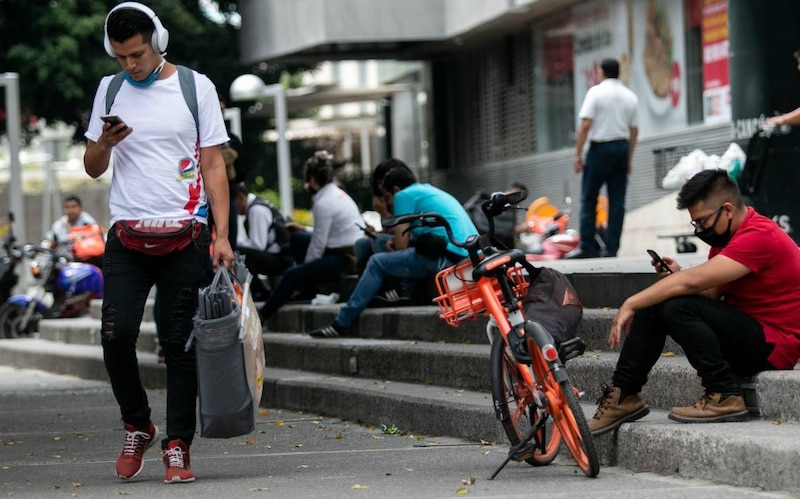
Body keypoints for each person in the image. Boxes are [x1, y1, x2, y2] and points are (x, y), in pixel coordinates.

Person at [83, 2, 233, 484]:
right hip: (127, 236)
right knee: (116, 337)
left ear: (159, 41)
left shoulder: (196, 87)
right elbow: (92, 166)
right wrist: (105, 143)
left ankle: (177, 444)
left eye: (139, 54)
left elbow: (213, 163)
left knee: (178, 344)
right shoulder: (110, 90)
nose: (131, 64)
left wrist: (223, 235)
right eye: (122, 56)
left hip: (186, 235)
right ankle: (138, 424)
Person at [588, 169, 800, 436]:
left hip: (774, 346)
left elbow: (691, 284)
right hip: (747, 332)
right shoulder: (728, 237)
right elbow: (710, 292)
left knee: (672, 302)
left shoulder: (759, 235)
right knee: (664, 298)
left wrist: (631, 302)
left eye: (702, 222)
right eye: (694, 224)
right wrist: (674, 277)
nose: (699, 230)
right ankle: (624, 394)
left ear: (727, 210)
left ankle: (723, 394)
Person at [308, 166, 478, 338]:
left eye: (388, 197)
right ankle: (401, 292)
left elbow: (401, 245)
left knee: (376, 262)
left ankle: (342, 322)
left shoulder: (403, 196)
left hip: (449, 259)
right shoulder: (425, 190)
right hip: (466, 254)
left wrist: (385, 218)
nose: (389, 202)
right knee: (376, 242)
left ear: (395, 190)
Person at [258, 150, 363, 322]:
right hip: (343, 249)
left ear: (312, 179)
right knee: (298, 238)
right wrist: (303, 229)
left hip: (344, 257)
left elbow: (318, 245)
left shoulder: (323, 202)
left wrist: (303, 273)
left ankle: (264, 315)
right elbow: (325, 234)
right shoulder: (336, 193)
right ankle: (308, 290)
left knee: (292, 274)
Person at [566, 58, 638, 259]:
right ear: (618, 72)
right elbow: (634, 131)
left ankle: (587, 245)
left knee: (589, 198)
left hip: (600, 149)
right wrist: (629, 158)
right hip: (622, 148)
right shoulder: (630, 96)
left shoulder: (595, 92)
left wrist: (577, 153)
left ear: (601, 72)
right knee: (617, 202)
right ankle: (612, 248)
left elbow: (585, 125)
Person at [233, 182, 292, 300]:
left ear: (240, 197)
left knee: (238, 253)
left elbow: (258, 245)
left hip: (281, 260)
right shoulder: (257, 206)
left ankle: (259, 291)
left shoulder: (256, 210)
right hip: (281, 256)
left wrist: (234, 242)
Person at [354, 158, 412, 275]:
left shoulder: (402, 197)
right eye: (379, 182)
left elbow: (402, 232)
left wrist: (384, 214)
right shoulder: (385, 199)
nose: (381, 186)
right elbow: (389, 231)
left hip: (408, 239)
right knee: (362, 243)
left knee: (378, 240)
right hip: (394, 237)